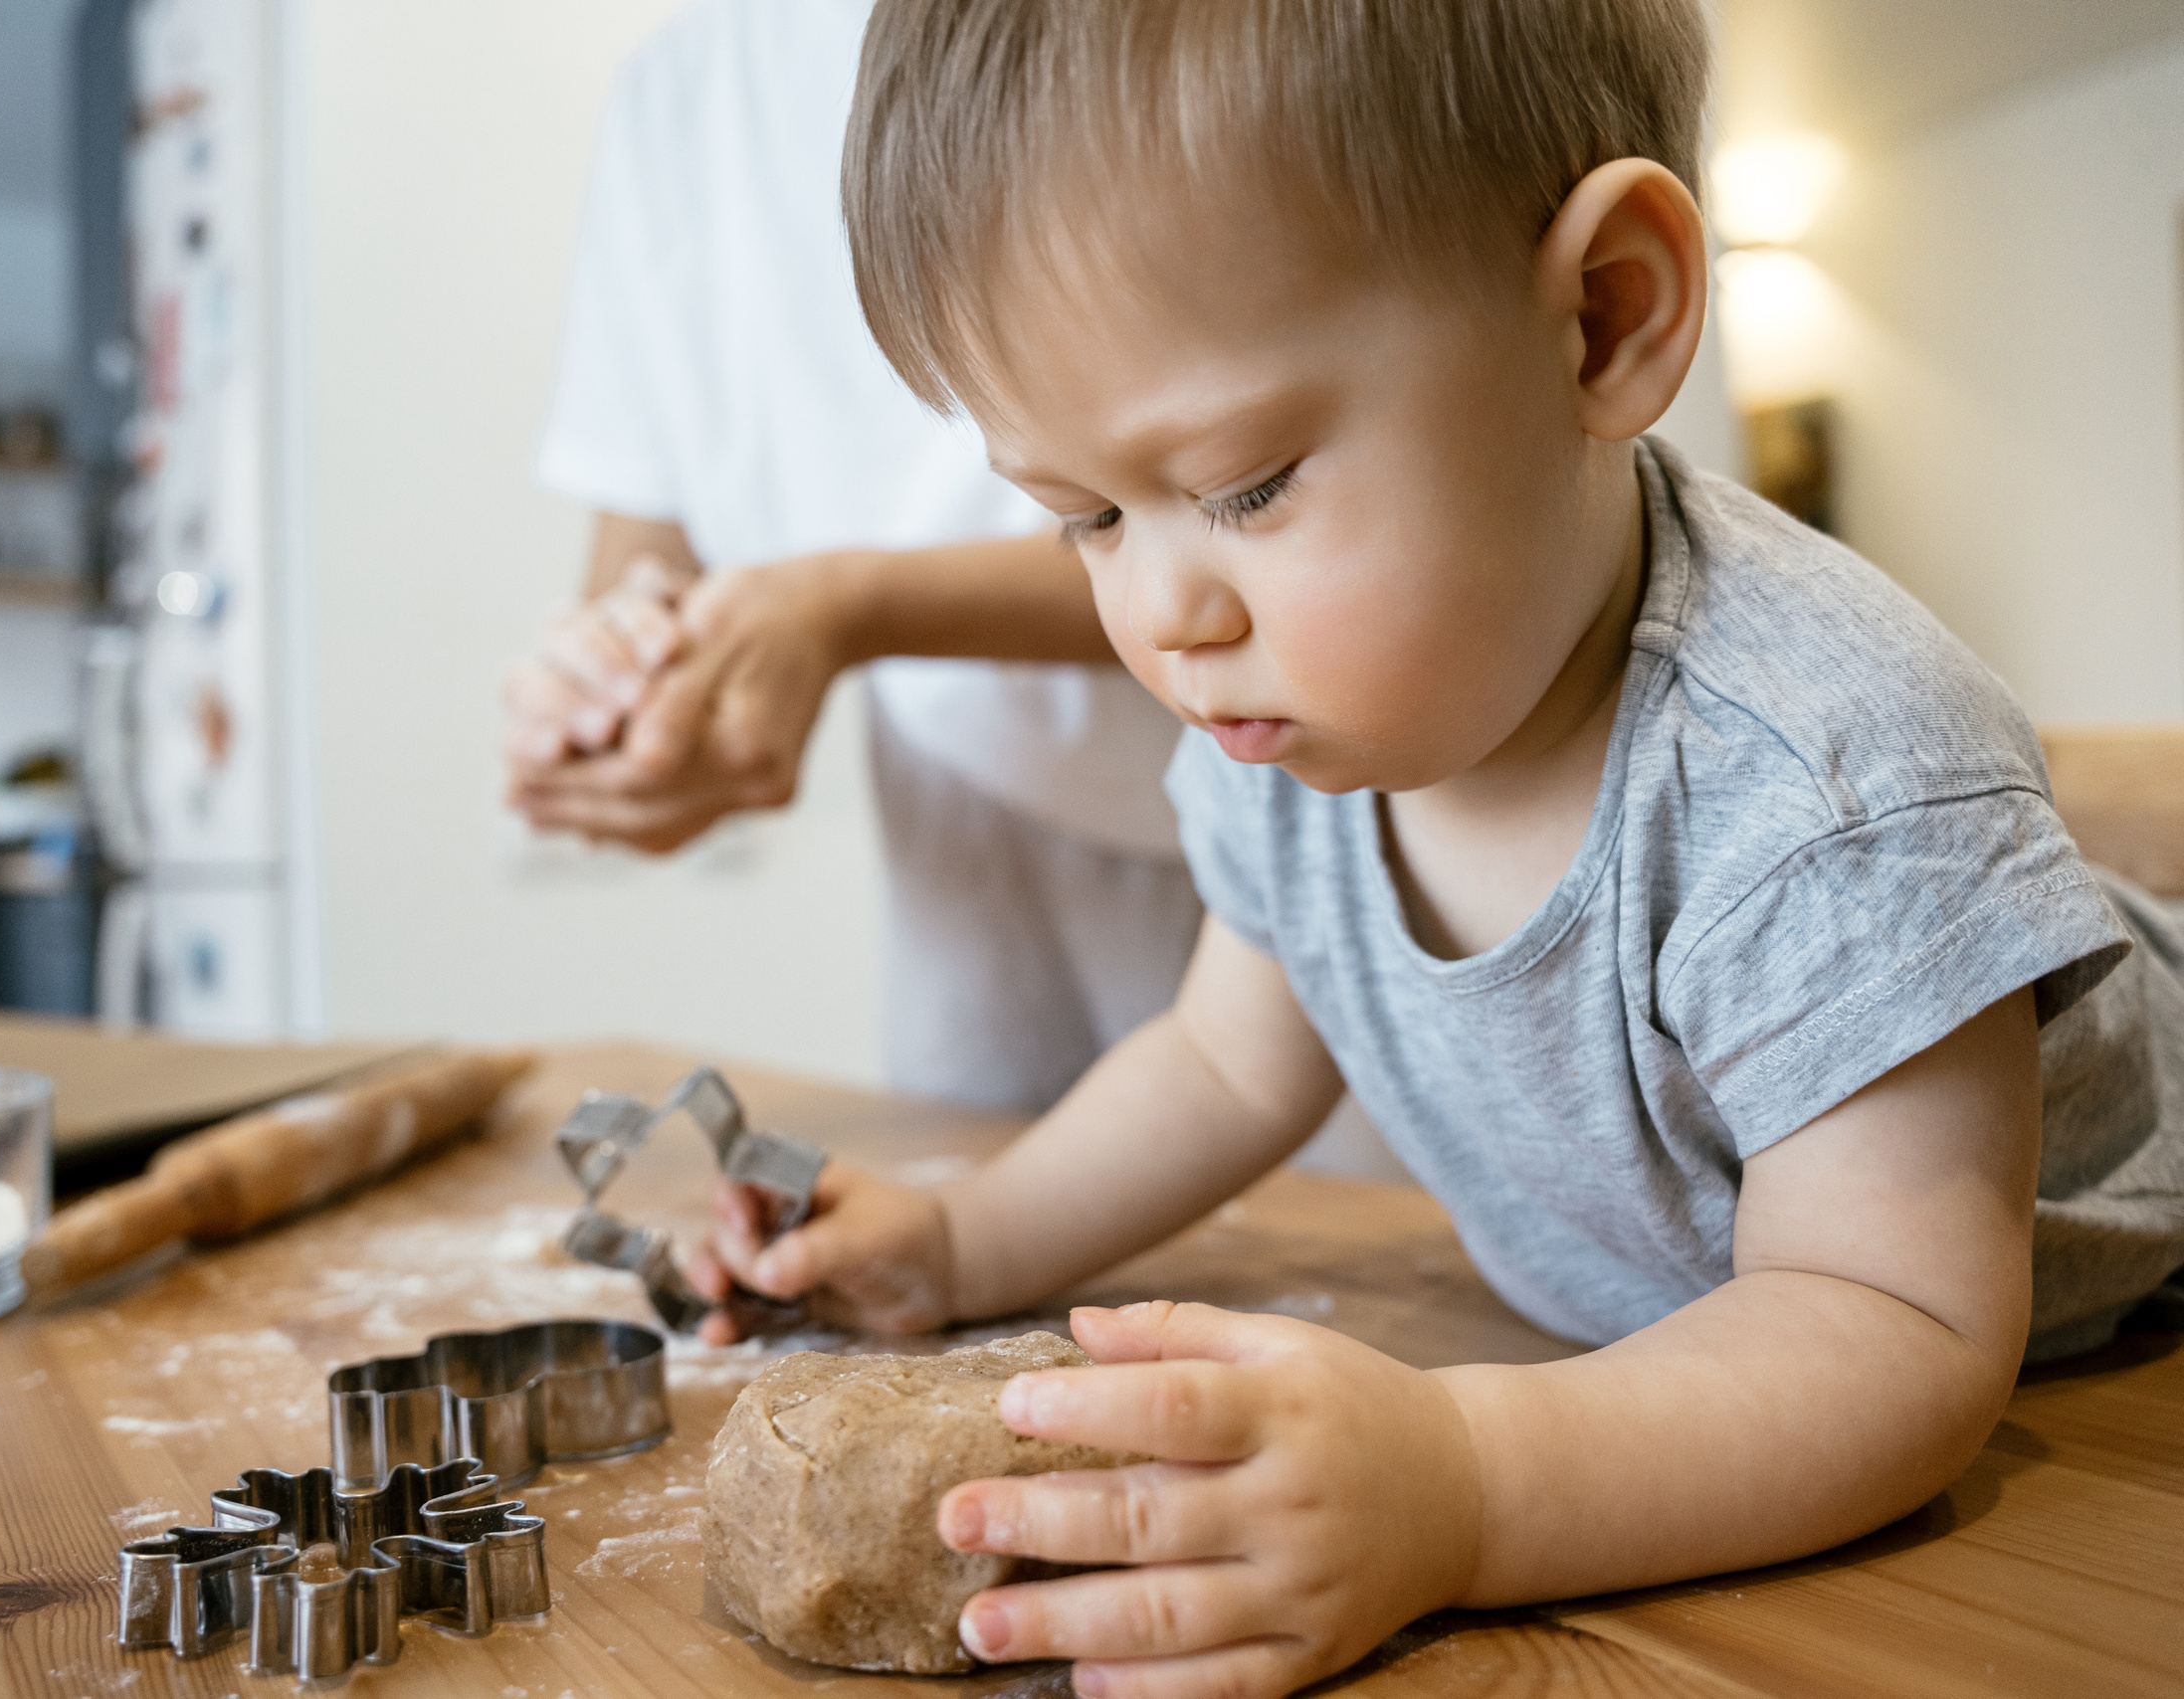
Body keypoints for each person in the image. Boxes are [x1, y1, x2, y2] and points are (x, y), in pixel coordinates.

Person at [689, 2, 2184, 1694]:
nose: (1168, 615)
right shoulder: (1289, 718)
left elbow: (1894, 1331)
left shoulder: (1829, 777)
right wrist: (963, 1242)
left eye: (1247, 485)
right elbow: (1217, 1062)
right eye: (1086, 518)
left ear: (1604, 320)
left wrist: (1464, 1480)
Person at [507, 0, 1199, 1113]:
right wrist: (633, 684)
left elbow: (1236, 514)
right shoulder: (678, 90)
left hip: (1281, 776)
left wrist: (836, 609)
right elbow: (644, 548)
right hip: (956, 836)